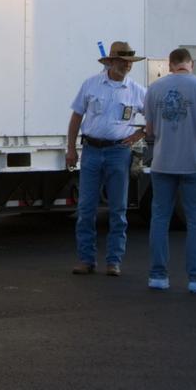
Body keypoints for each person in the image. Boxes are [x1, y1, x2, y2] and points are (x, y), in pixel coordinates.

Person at [143, 47, 196, 293]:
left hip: (162, 162)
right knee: (195, 220)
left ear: (170, 65)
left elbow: (149, 131)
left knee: (159, 218)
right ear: (190, 64)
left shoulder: (154, 89)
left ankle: (158, 275)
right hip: (194, 162)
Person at [66, 40, 148, 276]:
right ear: (111, 62)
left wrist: (138, 134)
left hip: (118, 152)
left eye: (129, 62)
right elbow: (76, 118)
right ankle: (86, 259)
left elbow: (154, 117)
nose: (127, 66)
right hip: (91, 149)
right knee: (86, 208)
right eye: (123, 62)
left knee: (118, 209)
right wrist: (71, 149)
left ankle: (114, 260)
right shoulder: (91, 84)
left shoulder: (137, 91)